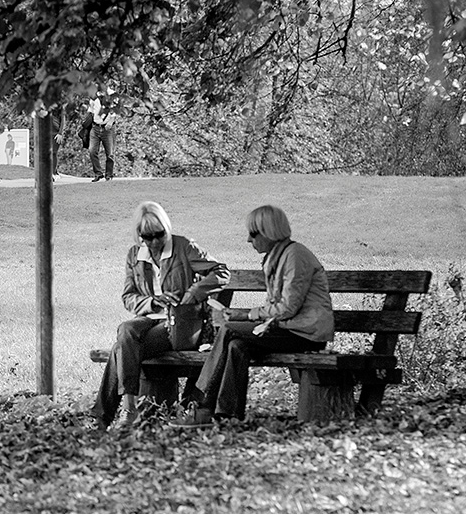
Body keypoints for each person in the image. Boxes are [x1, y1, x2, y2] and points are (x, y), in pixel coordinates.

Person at [173, 205, 335, 428]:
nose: (249, 240)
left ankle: (200, 403)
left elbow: (288, 308)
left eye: (253, 233)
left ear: (269, 232)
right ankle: (227, 416)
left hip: (305, 333)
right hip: (288, 329)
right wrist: (250, 318)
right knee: (237, 346)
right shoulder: (278, 256)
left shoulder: (295, 256)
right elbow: (279, 307)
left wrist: (249, 315)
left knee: (229, 330)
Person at [91, 201, 230, 429]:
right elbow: (128, 297)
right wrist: (152, 301)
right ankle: (127, 409)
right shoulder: (136, 255)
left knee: (120, 348)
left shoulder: (184, 247)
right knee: (126, 331)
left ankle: (107, 417)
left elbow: (222, 272)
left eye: (159, 234)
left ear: (166, 228)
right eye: (148, 236)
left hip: (179, 324)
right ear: (139, 235)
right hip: (148, 319)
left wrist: (193, 293)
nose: (155, 241)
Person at [88, 90, 117, 182]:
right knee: (92, 151)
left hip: (107, 128)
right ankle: (98, 173)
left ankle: (109, 174)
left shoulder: (111, 94)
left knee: (110, 153)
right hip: (95, 127)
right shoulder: (93, 95)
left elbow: (115, 111)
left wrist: (111, 122)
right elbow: (91, 110)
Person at [51, 104, 68, 180]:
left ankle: (53, 173)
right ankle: (52, 172)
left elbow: (63, 121)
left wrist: (60, 133)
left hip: (56, 133)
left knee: (53, 152)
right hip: (46, 133)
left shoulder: (60, 108)